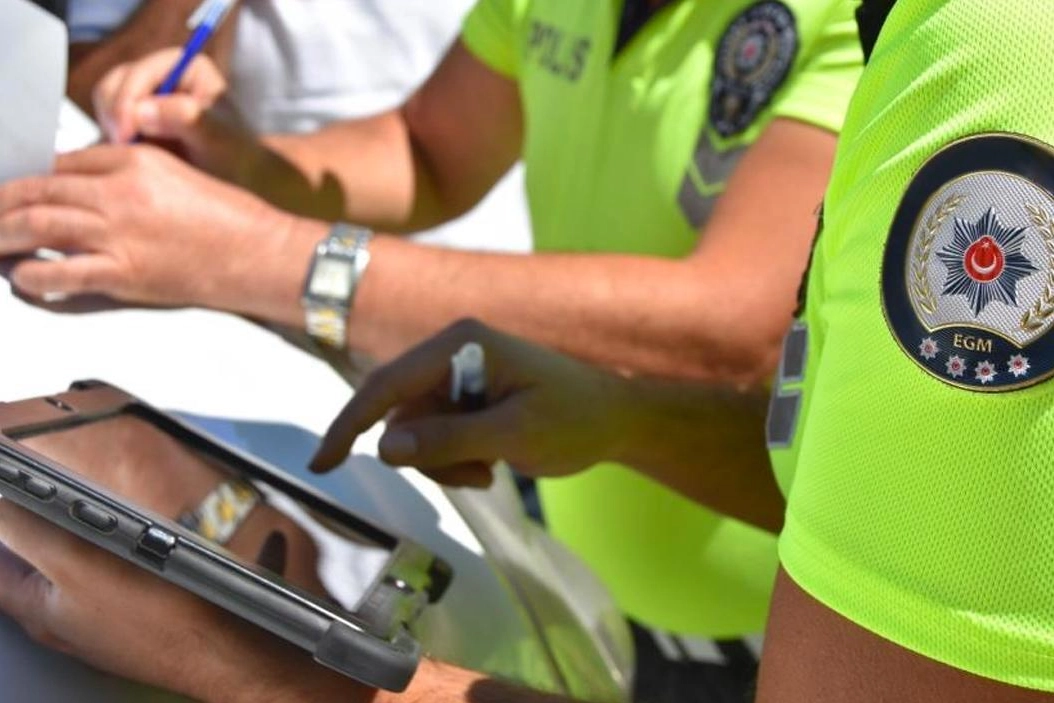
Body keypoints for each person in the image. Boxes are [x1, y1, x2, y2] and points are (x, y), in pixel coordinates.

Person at [2, 4, 1050, 700]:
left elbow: (739, 320)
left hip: (777, 636)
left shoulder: (989, 57)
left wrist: (283, 666)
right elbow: (431, 146)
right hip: (610, 600)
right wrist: (625, 417)